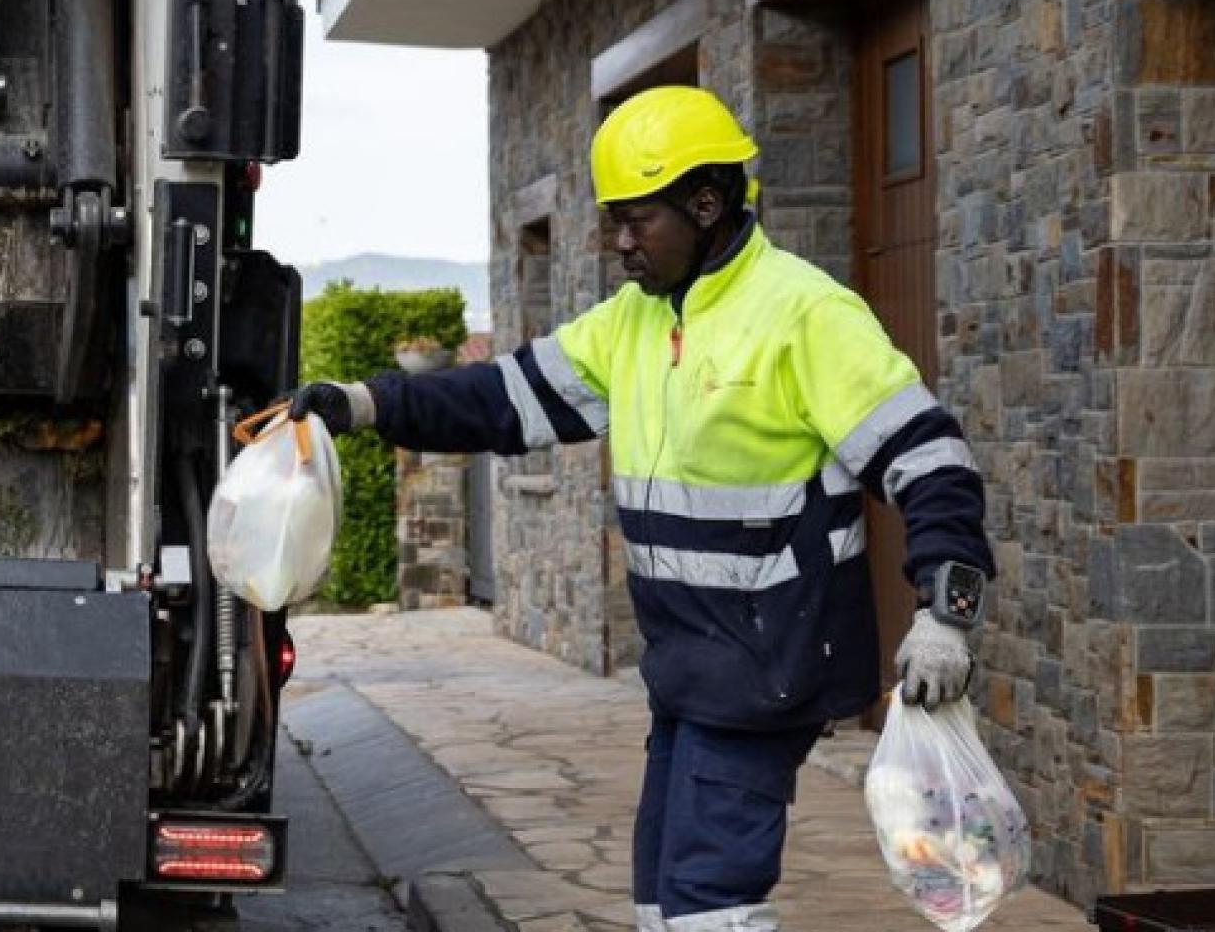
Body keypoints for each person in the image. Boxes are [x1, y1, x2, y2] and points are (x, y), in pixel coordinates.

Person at [290, 86, 994, 932]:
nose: (621, 243)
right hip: (688, 669)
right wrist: (367, 402)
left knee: (708, 904)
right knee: (663, 898)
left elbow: (931, 459)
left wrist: (946, 614)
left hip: (769, 669)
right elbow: (501, 398)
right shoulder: (634, 321)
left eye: (637, 220)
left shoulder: (803, 313)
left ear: (706, 203)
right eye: (613, 222)